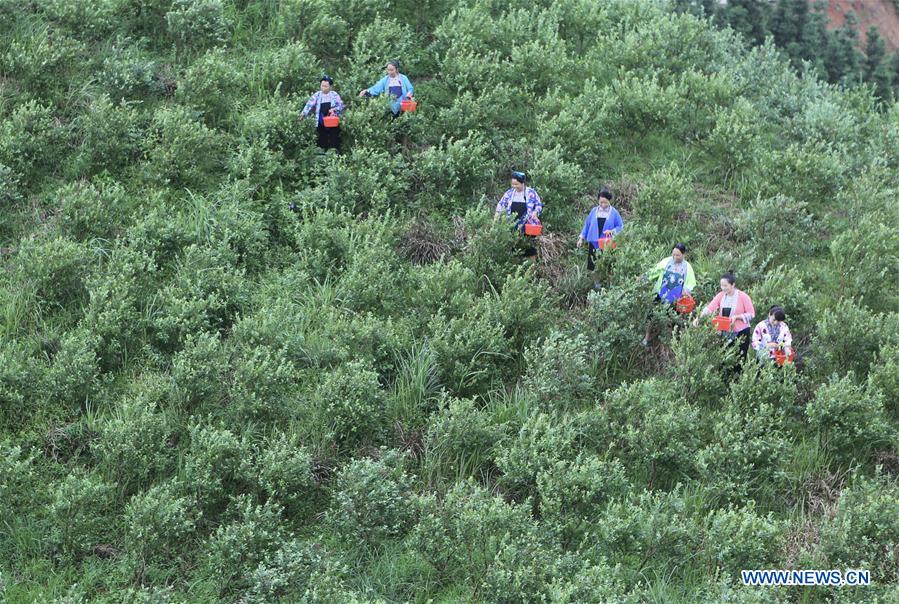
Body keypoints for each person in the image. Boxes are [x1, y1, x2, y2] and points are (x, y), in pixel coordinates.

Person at [693, 272, 756, 364]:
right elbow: (710, 308)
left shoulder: (743, 296)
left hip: (741, 332)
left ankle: (738, 377)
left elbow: (751, 314)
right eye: (721, 286)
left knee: (739, 359)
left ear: (733, 285)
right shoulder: (721, 295)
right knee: (724, 358)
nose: (723, 288)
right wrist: (698, 318)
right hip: (725, 331)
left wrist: (737, 317)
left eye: (725, 286)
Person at [641, 243, 696, 346]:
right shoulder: (666, 262)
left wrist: (686, 291)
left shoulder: (687, 267)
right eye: (673, 254)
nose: (675, 257)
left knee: (674, 320)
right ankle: (647, 338)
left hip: (676, 299)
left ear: (683, 255)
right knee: (651, 316)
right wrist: (643, 277)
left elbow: (690, 283)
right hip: (660, 294)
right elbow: (654, 271)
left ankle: (672, 343)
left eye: (678, 255)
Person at [577, 187, 623, 290]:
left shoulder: (614, 212)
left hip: (608, 243)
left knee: (609, 265)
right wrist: (581, 238)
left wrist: (611, 231)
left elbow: (620, 226)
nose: (603, 205)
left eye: (605, 203)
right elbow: (587, 225)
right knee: (593, 265)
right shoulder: (594, 211)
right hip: (594, 243)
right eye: (601, 202)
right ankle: (597, 285)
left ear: (609, 201)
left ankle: (610, 285)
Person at [494, 170, 543, 258]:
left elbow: (539, 205)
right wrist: (497, 215)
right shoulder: (509, 193)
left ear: (522, 183)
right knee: (514, 248)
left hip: (528, 225)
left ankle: (531, 268)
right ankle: (517, 268)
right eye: (513, 184)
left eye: (516, 184)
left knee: (529, 247)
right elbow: (501, 204)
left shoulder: (531, 193)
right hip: (512, 224)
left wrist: (535, 212)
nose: (514, 186)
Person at [301, 75, 345, 152]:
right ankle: (322, 153)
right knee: (322, 136)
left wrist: (335, 109)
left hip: (332, 120)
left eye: (326, 86)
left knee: (334, 136)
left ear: (330, 87)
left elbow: (341, 106)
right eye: (322, 86)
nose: (323, 88)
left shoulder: (334, 95)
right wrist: (303, 114)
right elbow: (309, 105)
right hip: (321, 119)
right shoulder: (317, 95)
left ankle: (334, 152)